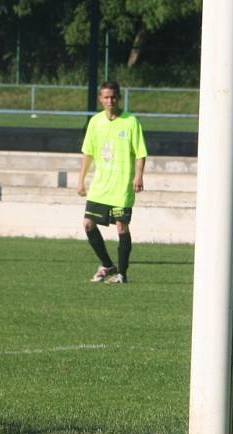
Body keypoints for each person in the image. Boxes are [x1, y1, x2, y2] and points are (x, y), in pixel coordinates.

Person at [77, 81, 147, 284]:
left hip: (122, 186)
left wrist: (139, 176)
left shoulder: (131, 122)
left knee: (121, 228)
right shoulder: (95, 122)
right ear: (100, 99)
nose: (110, 101)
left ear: (119, 98)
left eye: (113, 97)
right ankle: (107, 265)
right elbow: (87, 153)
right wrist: (81, 180)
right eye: (106, 97)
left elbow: (141, 153)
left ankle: (122, 274)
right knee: (88, 224)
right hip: (100, 186)